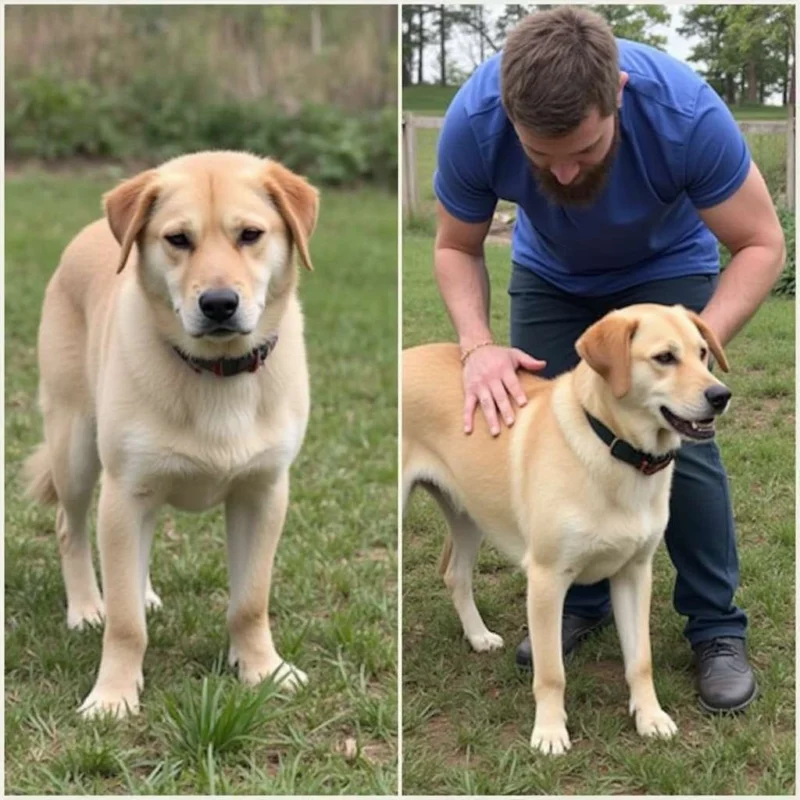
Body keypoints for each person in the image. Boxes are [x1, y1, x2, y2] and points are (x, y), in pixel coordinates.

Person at [431, 5, 786, 713]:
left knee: (683, 436)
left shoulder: (684, 113)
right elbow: (455, 245)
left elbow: (761, 242)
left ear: (618, 91)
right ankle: (581, 596)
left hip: (667, 271)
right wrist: (477, 346)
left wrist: (692, 345)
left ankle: (715, 628)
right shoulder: (475, 122)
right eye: (540, 156)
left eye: (584, 150)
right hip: (553, 277)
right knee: (556, 441)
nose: (561, 173)